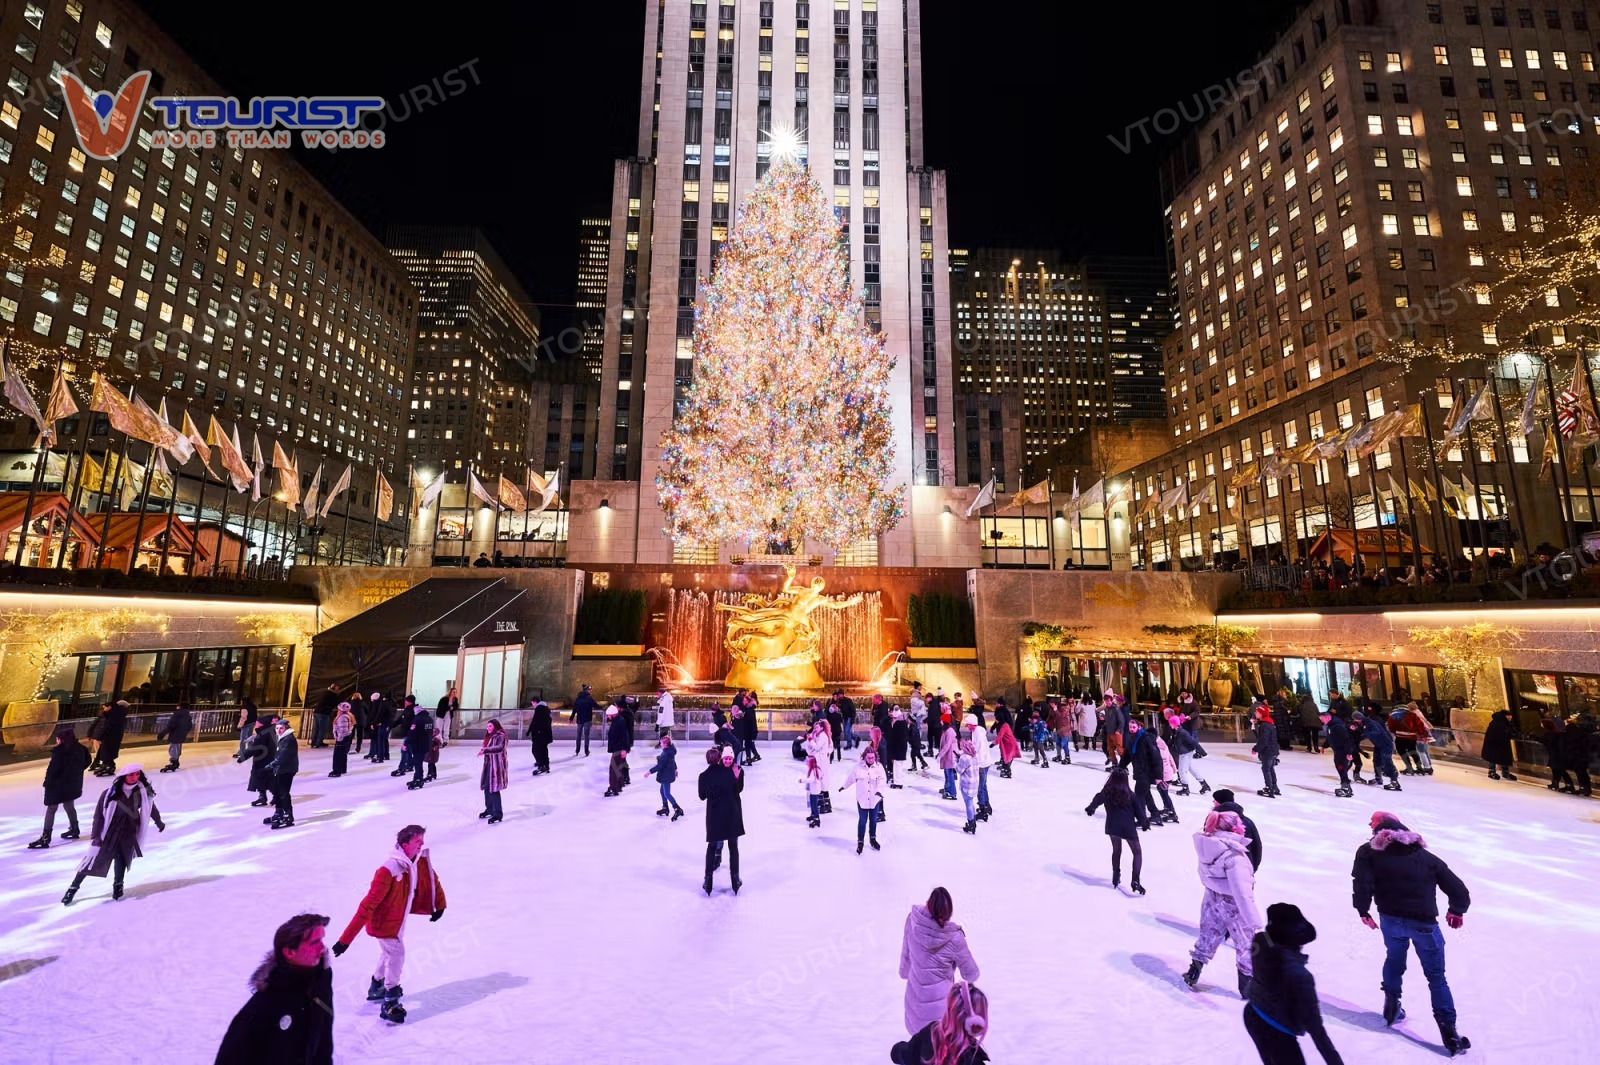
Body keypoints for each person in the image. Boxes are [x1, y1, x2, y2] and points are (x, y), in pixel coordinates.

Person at [1353, 812, 1471, 1056]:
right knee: (1437, 978)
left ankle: (1391, 1008)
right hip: (1424, 924)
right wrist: (1456, 911)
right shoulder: (1426, 858)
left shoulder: (1369, 853)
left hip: (1390, 920)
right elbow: (1459, 890)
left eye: (1372, 822)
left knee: (1394, 960)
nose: (1369, 825)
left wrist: (1363, 911)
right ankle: (1450, 1034)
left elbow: (1361, 883)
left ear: (1381, 834)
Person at [330, 824, 447, 1025]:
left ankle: (377, 986)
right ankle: (390, 1000)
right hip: (384, 924)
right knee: (397, 954)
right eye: (417, 841)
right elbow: (367, 905)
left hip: (398, 922)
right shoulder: (388, 869)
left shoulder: (415, 861)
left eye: (422, 841)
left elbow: (431, 880)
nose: (422, 845)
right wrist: (345, 940)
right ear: (404, 844)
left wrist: (439, 906)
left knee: (388, 954)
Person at [215, 913, 335, 1065]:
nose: (323, 947)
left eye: (322, 939)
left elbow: (324, 1036)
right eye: (314, 942)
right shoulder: (264, 1006)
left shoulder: (320, 980)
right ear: (289, 952)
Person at [1244, 904, 1345, 1065]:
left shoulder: (1261, 941)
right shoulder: (1299, 976)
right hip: (1277, 1031)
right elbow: (1315, 1028)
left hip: (1252, 1014)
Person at [1182, 810, 1264, 997]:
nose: (1244, 828)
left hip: (1211, 897)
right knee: (1246, 944)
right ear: (1234, 828)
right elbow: (1242, 893)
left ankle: (1193, 972)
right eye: (1240, 825)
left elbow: (1204, 875)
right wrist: (1255, 921)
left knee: (1207, 936)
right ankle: (1247, 989)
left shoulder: (1208, 846)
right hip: (1234, 905)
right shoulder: (1235, 857)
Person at [61, 765, 166, 905]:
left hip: (129, 830)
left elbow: (151, 808)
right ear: (123, 776)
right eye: (130, 775)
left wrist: (159, 822)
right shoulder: (109, 793)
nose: (134, 777)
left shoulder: (143, 792)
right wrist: (96, 836)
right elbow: (98, 816)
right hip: (109, 830)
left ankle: (118, 885)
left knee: (122, 857)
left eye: (136, 774)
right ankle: (73, 888)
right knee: (93, 858)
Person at [899, 887, 982, 1036]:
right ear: (949, 912)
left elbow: (906, 953)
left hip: (915, 1002)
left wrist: (904, 972)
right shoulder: (954, 938)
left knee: (918, 1048)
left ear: (927, 903)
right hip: (940, 1016)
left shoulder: (912, 921)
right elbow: (971, 974)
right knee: (938, 1051)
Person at [891, 982, 990, 1065]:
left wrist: (897, 1051)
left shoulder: (930, 1032)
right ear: (973, 1021)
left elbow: (906, 1054)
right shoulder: (973, 1059)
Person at [1086, 766, 1149, 894]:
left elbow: (1096, 800)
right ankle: (1135, 881)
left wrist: (1091, 808)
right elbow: (1140, 813)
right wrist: (1144, 823)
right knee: (1137, 852)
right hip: (1128, 829)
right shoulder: (1131, 796)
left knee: (1116, 850)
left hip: (1112, 826)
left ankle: (1116, 875)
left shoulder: (1106, 792)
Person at [30, 726, 90, 849]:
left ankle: (46, 837)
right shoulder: (81, 749)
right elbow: (88, 761)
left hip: (57, 785)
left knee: (51, 809)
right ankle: (74, 829)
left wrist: (47, 783)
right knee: (69, 805)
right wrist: (77, 772)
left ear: (60, 739)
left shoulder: (60, 751)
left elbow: (53, 770)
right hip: (72, 784)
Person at [699, 746, 745, 895]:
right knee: (733, 847)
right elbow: (734, 790)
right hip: (732, 814)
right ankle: (735, 879)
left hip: (714, 817)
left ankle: (708, 880)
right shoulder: (729, 773)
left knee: (712, 847)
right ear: (719, 758)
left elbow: (702, 796)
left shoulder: (703, 776)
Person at [1119, 718, 1173, 825]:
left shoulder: (1146, 738)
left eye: (1134, 727)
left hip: (1147, 772)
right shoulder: (1132, 739)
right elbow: (1128, 755)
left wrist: (1158, 775)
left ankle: (1141, 819)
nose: (1132, 729)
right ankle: (1155, 815)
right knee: (1146, 794)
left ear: (1139, 727)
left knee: (1139, 794)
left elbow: (1156, 757)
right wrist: (1121, 766)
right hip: (1139, 771)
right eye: (1130, 727)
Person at [841, 745, 888, 854]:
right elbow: (851, 778)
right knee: (862, 821)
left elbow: (882, 780)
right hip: (862, 799)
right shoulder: (858, 767)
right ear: (865, 757)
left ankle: (873, 839)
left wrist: (880, 790)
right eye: (869, 758)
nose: (871, 760)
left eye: (872, 758)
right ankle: (860, 842)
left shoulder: (879, 767)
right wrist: (844, 786)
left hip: (875, 799)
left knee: (873, 820)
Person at [1210, 789, 1263, 870]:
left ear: (1219, 802)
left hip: (1232, 870)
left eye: (1215, 800)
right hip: (1243, 869)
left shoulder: (1215, 822)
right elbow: (1257, 847)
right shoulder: (1248, 821)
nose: (1213, 801)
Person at [1354, 709, 1401, 791]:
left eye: (1355, 719)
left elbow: (1377, 731)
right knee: (1376, 761)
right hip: (1378, 745)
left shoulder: (1370, 723)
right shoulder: (1364, 723)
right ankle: (1378, 778)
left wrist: (1365, 734)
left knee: (1387, 762)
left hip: (1385, 744)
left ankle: (1394, 781)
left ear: (1358, 718)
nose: (1354, 721)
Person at [265, 718, 300, 829]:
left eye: (281, 728)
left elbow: (284, 756)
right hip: (281, 769)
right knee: (277, 792)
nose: (279, 730)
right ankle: (278, 813)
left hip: (286, 770)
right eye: (277, 728)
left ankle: (288, 816)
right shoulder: (282, 738)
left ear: (286, 728)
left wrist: (272, 764)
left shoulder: (288, 739)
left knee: (284, 793)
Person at [237, 717, 278, 809]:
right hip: (268, 758)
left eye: (258, 722)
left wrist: (242, 757)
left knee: (266, 779)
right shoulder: (269, 731)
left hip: (263, 760)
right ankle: (263, 797)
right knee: (262, 779)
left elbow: (255, 748)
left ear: (262, 724)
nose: (256, 723)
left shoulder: (263, 733)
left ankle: (276, 796)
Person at [646, 731, 683, 821]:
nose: (660, 745)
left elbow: (659, 766)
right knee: (662, 792)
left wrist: (649, 772)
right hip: (668, 773)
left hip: (666, 775)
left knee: (667, 793)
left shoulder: (666, 753)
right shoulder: (670, 751)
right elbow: (672, 761)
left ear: (665, 744)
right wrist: (675, 769)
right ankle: (665, 808)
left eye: (661, 743)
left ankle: (677, 809)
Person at [1320, 707, 1356, 798]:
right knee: (1341, 769)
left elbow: (1346, 739)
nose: (1322, 722)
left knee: (1341, 768)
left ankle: (1345, 788)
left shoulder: (1338, 726)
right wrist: (1324, 746)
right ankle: (1346, 787)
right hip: (1338, 750)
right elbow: (1330, 738)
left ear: (1327, 717)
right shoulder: (1331, 726)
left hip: (1342, 751)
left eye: (1322, 719)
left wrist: (1349, 753)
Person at [477, 719, 508, 823]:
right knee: (487, 787)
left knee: (494, 789)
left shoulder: (501, 736)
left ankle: (497, 813)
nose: (488, 728)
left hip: (497, 766)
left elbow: (500, 748)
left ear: (495, 726)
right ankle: (489, 809)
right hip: (489, 764)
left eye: (490, 726)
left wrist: (485, 750)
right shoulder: (489, 736)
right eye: (487, 726)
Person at [89, 699, 129, 776]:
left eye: (105, 708)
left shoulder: (114, 715)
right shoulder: (117, 714)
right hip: (112, 737)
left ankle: (109, 766)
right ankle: (105, 765)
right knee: (105, 751)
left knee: (107, 751)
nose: (104, 709)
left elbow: (108, 726)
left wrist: (100, 736)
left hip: (110, 737)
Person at [966, 714, 993, 822]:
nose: (967, 726)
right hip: (984, 762)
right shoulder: (976, 731)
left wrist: (977, 763)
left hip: (982, 763)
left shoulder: (978, 734)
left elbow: (980, 749)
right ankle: (987, 806)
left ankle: (983, 811)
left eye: (968, 724)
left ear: (972, 724)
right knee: (983, 786)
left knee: (979, 788)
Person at [1480, 708, 1519, 781]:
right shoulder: (1497, 723)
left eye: (1510, 716)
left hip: (1502, 744)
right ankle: (1492, 771)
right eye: (1508, 716)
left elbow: (1511, 731)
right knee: (1494, 757)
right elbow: (1501, 733)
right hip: (1494, 744)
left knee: (1504, 757)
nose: (1510, 718)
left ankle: (1505, 772)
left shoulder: (1505, 723)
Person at [1253, 703, 1282, 798]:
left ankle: (1269, 788)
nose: (1255, 713)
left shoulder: (1264, 725)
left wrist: (1256, 749)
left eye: (1257, 712)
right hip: (1273, 749)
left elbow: (1264, 740)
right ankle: (1274, 787)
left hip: (1268, 751)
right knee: (1270, 768)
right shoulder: (1269, 723)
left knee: (1266, 769)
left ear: (1262, 714)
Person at [404, 704, 435, 791]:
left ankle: (418, 779)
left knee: (417, 763)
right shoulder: (429, 719)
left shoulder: (417, 719)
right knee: (419, 762)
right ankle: (417, 778)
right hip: (427, 744)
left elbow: (412, 733)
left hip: (418, 745)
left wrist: (405, 743)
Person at [604, 706, 631, 797]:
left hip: (619, 749)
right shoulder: (618, 720)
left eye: (608, 715)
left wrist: (624, 749)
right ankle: (618, 785)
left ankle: (613, 787)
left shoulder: (620, 722)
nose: (608, 717)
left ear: (613, 714)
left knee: (613, 768)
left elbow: (624, 736)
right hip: (617, 748)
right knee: (618, 767)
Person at [955, 739, 981, 834]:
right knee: (971, 803)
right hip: (974, 783)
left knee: (968, 805)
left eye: (961, 746)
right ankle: (972, 822)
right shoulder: (974, 756)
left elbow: (959, 770)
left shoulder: (964, 758)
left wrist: (955, 762)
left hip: (967, 784)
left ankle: (971, 825)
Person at [329, 702, 355, 777]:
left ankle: (337, 770)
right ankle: (342, 768)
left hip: (342, 738)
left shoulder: (342, 717)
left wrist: (339, 738)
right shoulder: (348, 716)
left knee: (338, 755)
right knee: (343, 754)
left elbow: (343, 730)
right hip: (346, 737)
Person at [937, 713, 960, 800]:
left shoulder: (950, 732)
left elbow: (947, 745)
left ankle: (952, 792)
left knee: (949, 773)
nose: (940, 722)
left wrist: (940, 755)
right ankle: (947, 788)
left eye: (941, 720)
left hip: (951, 756)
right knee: (947, 773)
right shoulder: (946, 730)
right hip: (948, 755)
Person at [570, 683, 597, 756]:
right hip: (587, 719)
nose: (590, 691)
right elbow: (596, 705)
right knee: (586, 735)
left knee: (578, 735)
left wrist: (571, 717)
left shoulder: (578, 698)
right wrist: (603, 707)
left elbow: (574, 709)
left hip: (579, 720)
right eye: (590, 690)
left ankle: (577, 750)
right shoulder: (589, 698)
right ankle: (586, 750)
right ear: (587, 690)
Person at [311, 682, 340, 748]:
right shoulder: (332, 695)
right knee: (322, 728)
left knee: (316, 728)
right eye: (338, 688)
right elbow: (335, 703)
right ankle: (319, 742)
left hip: (317, 712)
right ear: (335, 688)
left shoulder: (324, 692)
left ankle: (313, 742)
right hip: (324, 713)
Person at [528, 700, 554, 775]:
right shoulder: (546, 710)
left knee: (536, 750)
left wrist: (533, 731)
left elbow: (535, 722)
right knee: (543, 750)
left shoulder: (539, 709)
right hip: (544, 735)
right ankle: (545, 765)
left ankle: (541, 765)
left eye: (532, 703)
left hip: (539, 735)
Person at [368, 692, 394, 764]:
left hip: (382, 724)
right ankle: (385, 755)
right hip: (387, 724)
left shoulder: (383, 704)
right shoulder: (390, 704)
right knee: (384, 739)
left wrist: (374, 722)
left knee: (380, 740)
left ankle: (380, 757)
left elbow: (380, 714)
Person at [800, 755, 825, 828]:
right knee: (812, 803)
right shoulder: (815, 769)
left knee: (814, 805)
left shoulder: (813, 770)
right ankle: (813, 815)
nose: (806, 762)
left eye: (807, 761)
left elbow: (811, 779)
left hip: (814, 790)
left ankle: (816, 819)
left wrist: (802, 780)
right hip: (814, 790)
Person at [1102, 694, 1127, 765]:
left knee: (1119, 749)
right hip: (1109, 732)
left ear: (1111, 700)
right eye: (1106, 701)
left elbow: (1122, 720)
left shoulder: (1116, 709)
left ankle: (1123, 764)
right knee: (1110, 749)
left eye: (1109, 701)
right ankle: (1114, 763)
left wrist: (1118, 730)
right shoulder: (1106, 709)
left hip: (1117, 732)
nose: (1107, 703)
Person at [348, 691, 367, 756]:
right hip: (361, 720)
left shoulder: (350, 703)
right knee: (360, 735)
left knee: (350, 734)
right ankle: (358, 748)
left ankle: (347, 748)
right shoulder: (363, 703)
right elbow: (367, 711)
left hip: (352, 720)